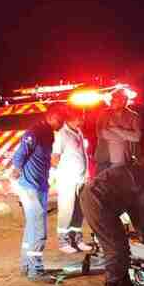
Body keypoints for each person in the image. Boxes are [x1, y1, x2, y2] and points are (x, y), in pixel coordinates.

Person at [10, 107, 65, 280]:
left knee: (32, 226)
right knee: (39, 227)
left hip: (39, 185)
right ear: (50, 117)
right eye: (60, 119)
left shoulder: (48, 133)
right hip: (30, 186)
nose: (62, 123)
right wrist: (17, 169)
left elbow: (41, 157)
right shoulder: (35, 132)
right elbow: (21, 153)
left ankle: (26, 265)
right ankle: (36, 270)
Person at [51, 105, 94, 254]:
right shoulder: (61, 135)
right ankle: (63, 241)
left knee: (79, 210)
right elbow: (55, 158)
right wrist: (62, 174)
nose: (83, 118)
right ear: (70, 118)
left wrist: (86, 175)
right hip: (68, 180)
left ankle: (77, 239)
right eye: (80, 116)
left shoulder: (78, 131)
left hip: (80, 179)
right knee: (66, 211)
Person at [94, 89, 141, 174]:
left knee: (119, 185)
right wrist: (126, 136)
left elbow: (136, 137)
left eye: (114, 99)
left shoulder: (133, 116)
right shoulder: (104, 114)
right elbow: (101, 133)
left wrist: (115, 128)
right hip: (104, 158)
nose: (111, 101)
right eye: (111, 99)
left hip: (123, 160)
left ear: (123, 101)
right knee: (99, 184)